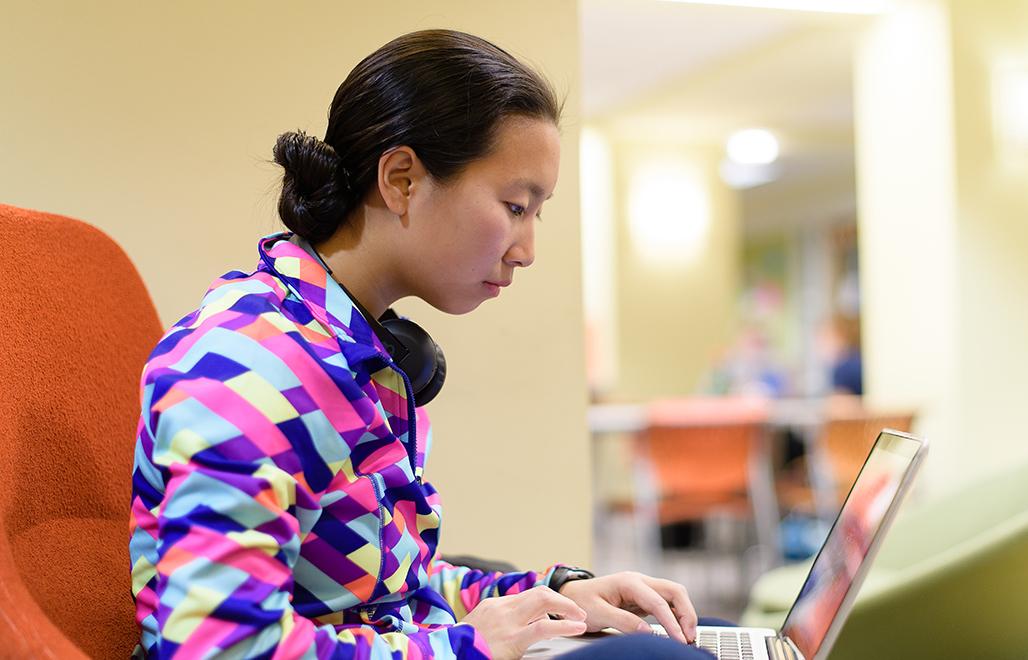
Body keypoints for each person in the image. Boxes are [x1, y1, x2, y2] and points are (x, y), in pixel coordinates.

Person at [128, 29, 715, 659]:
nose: (528, 251)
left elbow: (383, 594)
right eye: (515, 206)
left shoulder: (351, 348)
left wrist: (556, 596)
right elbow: (219, 649)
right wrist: (461, 649)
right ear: (402, 179)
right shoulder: (247, 364)